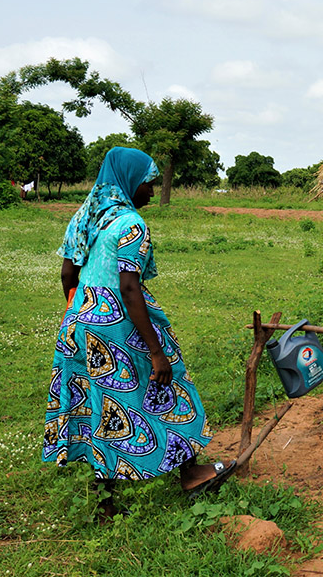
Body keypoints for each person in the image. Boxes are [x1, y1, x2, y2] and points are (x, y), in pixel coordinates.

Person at [43, 146, 235, 515]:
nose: (152, 190)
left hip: (78, 322)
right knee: (169, 382)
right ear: (130, 182)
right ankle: (191, 473)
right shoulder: (131, 224)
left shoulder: (86, 216)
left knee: (99, 405)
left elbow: (68, 274)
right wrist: (156, 351)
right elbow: (129, 288)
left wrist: (82, 310)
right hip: (118, 324)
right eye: (148, 182)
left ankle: (106, 503)